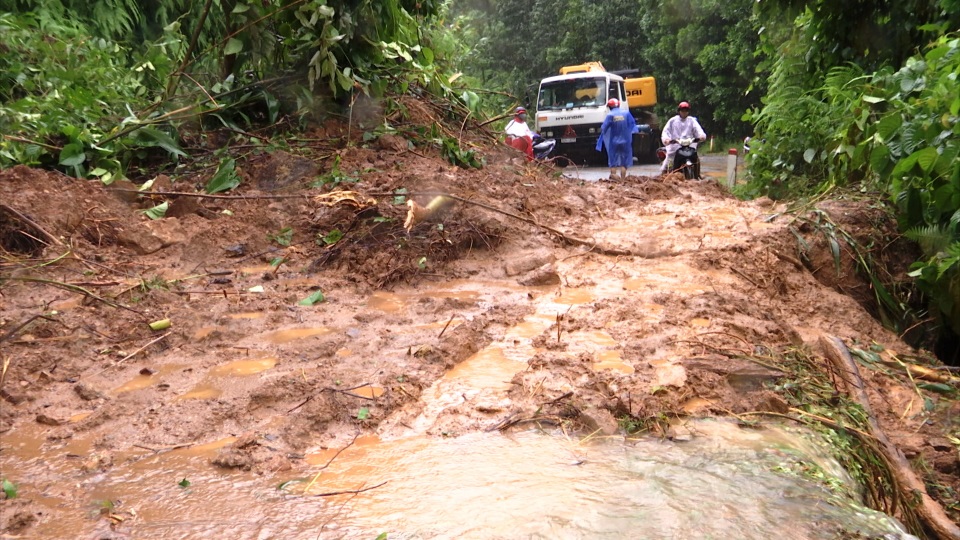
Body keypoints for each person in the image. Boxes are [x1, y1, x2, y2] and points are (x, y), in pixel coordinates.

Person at [595, 98, 637, 180]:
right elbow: (633, 125)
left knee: (613, 163)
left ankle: (614, 180)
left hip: (613, 142)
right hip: (626, 142)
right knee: (624, 163)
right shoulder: (626, 113)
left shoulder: (610, 115)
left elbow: (604, 128)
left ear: (609, 107)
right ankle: (623, 180)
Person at [660, 101, 707, 174]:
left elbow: (698, 130)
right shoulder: (673, 120)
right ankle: (663, 175)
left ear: (688, 111)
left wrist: (701, 136)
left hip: (690, 145)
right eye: (682, 110)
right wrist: (666, 139)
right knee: (669, 161)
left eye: (686, 110)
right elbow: (666, 131)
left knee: (696, 159)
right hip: (675, 146)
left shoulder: (692, 120)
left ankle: (697, 174)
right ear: (679, 111)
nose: (684, 112)